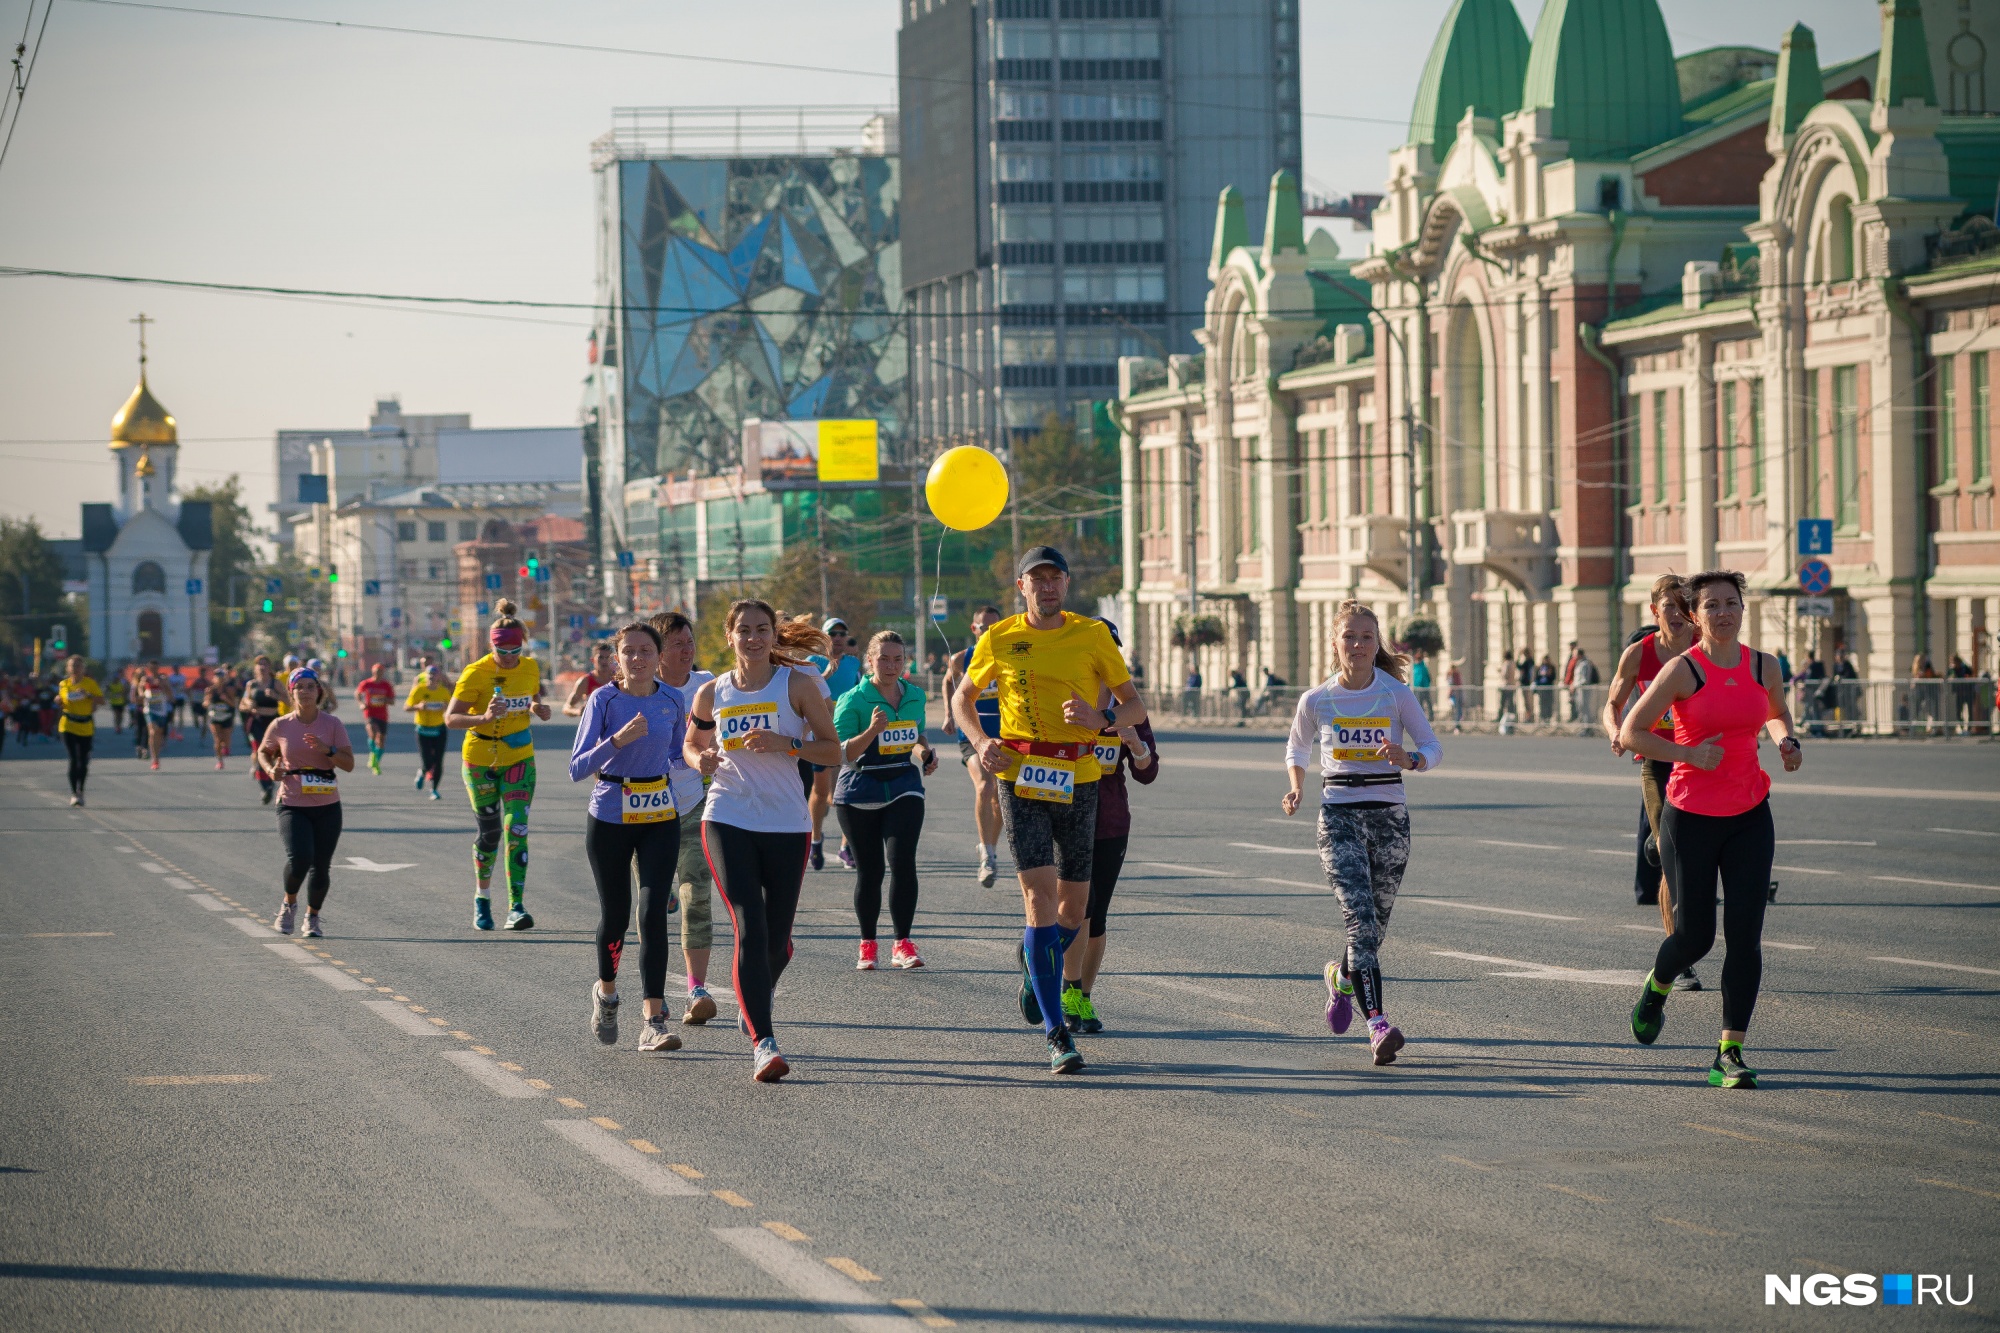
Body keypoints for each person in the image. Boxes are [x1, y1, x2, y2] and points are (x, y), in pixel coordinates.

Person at [953, 546, 1147, 1076]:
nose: (1047, 587)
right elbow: (962, 698)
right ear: (1022, 587)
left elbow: (1136, 706)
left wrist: (1100, 714)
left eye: (1055, 577)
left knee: (1073, 910)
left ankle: (1033, 965)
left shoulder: (1092, 635)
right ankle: (1056, 1033)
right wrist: (980, 739)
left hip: (1079, 779)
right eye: (1036, 579)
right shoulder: (1000, 638)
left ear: (1066, 583)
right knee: (1038, 899)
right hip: (1020, 778)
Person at [1620, 569, 1802, 1089]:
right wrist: (1687, 753)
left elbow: (1775, 712)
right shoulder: (1682, 670)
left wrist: (1786, 740)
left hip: (1749, 813)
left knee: (1746, 938)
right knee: (1695, 936)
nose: (1723, 613)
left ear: (1743, 610)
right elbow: (1634, 733)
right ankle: (1657, 986)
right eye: (1712, 606)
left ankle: (1729, 1052)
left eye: (1731, 603)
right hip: (1691, 815)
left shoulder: (1763, 664)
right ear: (1695, 616)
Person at [683, 600, 843, 1082]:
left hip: (787, 824)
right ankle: (764, 1042)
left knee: (778, 942)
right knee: (750, 927)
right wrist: (700, 762)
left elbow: (832, 748)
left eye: (761, 630)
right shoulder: (713, 693)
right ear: (729, 636)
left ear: (774, 636)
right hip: (727, 817)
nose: (752, 638)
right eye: (744, 630)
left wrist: (787, 744)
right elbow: (691, 743)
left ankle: (753, 998)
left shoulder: (794, 685)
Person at [1281, 601, 1443, 1066]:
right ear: (1335, 644)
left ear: (1378, 644)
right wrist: (1296, 788)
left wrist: (1410, 759)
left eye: (1366, 637)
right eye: (1349, 636)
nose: (1357, 645)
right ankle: (1377, 1026)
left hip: (1389, 818)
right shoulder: (1317, 699)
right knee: (1361, 923)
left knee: (1374, 931)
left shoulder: (1395, 694)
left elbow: (1432, 746)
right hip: (1339, 817)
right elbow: (1297, 747)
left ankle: (1341, 979)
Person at [570, 620, 688, 1054]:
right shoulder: (604, 700)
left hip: (660, 813)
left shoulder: (673, 699)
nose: (637, 659)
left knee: (653, 912)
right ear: (616, 660)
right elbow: (577, 767)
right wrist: (616, 741)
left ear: (659, 657)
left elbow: (677, 754)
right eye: (629, 652)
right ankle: (607, 993)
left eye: (645, 651)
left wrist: (704, 759)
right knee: (616, 914)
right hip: (610, 816)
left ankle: (653, 1019)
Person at [1601, 576, 1705, 985]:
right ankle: (1679, 956)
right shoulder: (1640, 654)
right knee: (1670, 854)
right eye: (1669, 607)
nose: (1677, 615)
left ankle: (1658, 837)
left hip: (1703, 759)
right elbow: (1612, 703)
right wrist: (1614, 730)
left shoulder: (1706, 646)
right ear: (1654, 611)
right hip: (1658, 761)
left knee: (1695, 851)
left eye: (1684, 607)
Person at [1061, 619, 1157, 1034]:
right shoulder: (1062, 697)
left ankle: (1083, 996)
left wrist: (1135, 746)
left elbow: (1148, 773)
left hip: (1112, 819)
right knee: (1076, 908)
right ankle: (1064, 989)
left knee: (1097, 915)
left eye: (1111, 649)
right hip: (1064, 814)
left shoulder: (1127, 704)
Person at [833, 630, 939, 970]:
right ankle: (867, 943)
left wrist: (925, 754)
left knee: (902, 861)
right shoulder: (854, 700)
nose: (891, 666)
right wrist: (871, 732)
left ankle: (903, 943)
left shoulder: (915, 696)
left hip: (903, 785)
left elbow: (916, 735)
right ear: (870, 661)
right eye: (883, 659)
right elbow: (841, 753)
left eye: (897, 659)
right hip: (859, 789)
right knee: (871, 870)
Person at [446, 600, 553, 932]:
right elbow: (451, 719)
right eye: (502, 651)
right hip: (480, 760)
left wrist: (539, 708)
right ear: (491, 645)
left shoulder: (531, 667)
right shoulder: (475, 673)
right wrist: (484, 716)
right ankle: (482, 898)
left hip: (519, 757)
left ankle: (516, 907)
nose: (509, 657)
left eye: (515, 650)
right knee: (490, 835)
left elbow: (535, 694)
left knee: (517, 828)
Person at [649, 611, 719, 1024]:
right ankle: (655, 993)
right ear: (658, 653)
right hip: (646, 811)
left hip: (695, 803)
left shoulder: (707, 685)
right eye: (677, 643)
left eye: (689, 641)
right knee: (652, 905)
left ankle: (697, 989)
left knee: (697, 893)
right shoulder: (638, 691)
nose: (687, 649)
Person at [256, 667, 355, 939]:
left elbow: (348, 764)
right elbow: (264, 752)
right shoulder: (281, 725)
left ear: (318, 691)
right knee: (300, 857)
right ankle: (288, 904)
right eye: (300, 687)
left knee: (321, 865)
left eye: (311, 687)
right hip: (292, 802)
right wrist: (269, 770)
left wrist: (329, 750)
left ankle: (312, 917)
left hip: (327, 805)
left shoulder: (332, 725)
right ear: (291, 692)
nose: (305, 692)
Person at [942, 605, 1006, 886]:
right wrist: (948, 713)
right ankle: (988, 856)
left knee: (1002, 796)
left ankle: (988, 848)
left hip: (1004, 734)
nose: (988, 633)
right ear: (974, 629)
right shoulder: (961, 659)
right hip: (972, 733)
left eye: (994, 628)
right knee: (985, 785)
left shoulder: (1008, 656)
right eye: (984, 628)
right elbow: (948, 682)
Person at [806, 616, 862, 870]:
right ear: (824, 637)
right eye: (833, 633)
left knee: (846, 793)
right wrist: (828, 671)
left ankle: (845, 846)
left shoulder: (853, 663)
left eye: (842, 633)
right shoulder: (812, 663)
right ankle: (816, 839)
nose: (838, 638)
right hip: (819, 736)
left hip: (847, 735)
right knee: (821, 792)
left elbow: (860, 694)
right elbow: (805, 693)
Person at [56, 656, 103, 807]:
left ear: (83, 668)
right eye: (72, 666)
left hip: (85, 725)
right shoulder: (64, 684)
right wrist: (58, 700)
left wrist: (89, 695)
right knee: (73, 759)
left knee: (83, 761)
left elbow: (102, 700)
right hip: (68, 724)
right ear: (68, 669)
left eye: (78, 666)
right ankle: (74, 794)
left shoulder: (90, 684)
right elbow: (62, 700)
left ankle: (80, 790)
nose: (75, 668)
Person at [404, 661, 453, 800]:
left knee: (439, 760)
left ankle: (434, 789)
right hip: (423, 729)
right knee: (428, 762)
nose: (431, 677)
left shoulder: (443, 691)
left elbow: (452, 708)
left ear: (439, 677)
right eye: (429, 674)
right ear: (425, 676)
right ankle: (422, 771)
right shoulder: (419, 689)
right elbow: (406, 707)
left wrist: (446, 707)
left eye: (434, 674)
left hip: (439, 729)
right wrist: (419, 707)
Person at [242, 656, 284, 804]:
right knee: (261, 752)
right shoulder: (251, 685)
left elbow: (289, 700)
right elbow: (243, 703)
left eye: (265, 664)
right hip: (257, 722)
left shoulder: (276, 683)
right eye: (259, 664)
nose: (262, 667)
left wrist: (275, 696)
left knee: (272, 755)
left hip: (272, 722)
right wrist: (249, 704)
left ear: (269, 667)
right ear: (255, 667)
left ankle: (271, 780)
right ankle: (266, 787)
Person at [355, 662, 396, 775]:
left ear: (383, 673)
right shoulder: (366, 683)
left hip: (382, 715)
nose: (378, 674)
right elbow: (358, 693)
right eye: (375, 672)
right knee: (372, 733)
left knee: (381, 740)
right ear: (372, 672)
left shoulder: (386, 685)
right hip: (370, 713)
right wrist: (361, 703)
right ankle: (373, 755)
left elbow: (392, 701)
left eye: (380, 672)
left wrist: (383, 700)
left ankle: (376, 762)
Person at [564, 641, 617, 717]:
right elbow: (567, 707)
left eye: (608, 658)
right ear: (593, 660)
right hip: (595, 725)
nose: (604, 661)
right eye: (600, 657)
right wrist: (577, 711)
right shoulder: (585, 681)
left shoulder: (619, 679)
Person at [140, 668, 173, 770]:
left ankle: (157, 756)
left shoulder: (163, 681)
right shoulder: (146, 680)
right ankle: (154, 759)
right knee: (152, 732)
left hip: (161, 712)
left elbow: (171, 696)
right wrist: (142, 692)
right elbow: (140, 689)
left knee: (158, 733)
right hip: (150, 710)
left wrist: (163, 685)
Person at [204, 676, 237, 770]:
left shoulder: (229, 690)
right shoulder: (210, 690)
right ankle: (220, 761)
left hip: (226, 716)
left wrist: (226, 699)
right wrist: (208, 701)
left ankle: (225, 747)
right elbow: (205, 703)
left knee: (226, 739)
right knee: (217, 739)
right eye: (217, 677)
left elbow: (233, 704)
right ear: (214, 679)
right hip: (214, 717)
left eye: (221, 677)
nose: (219, 680)